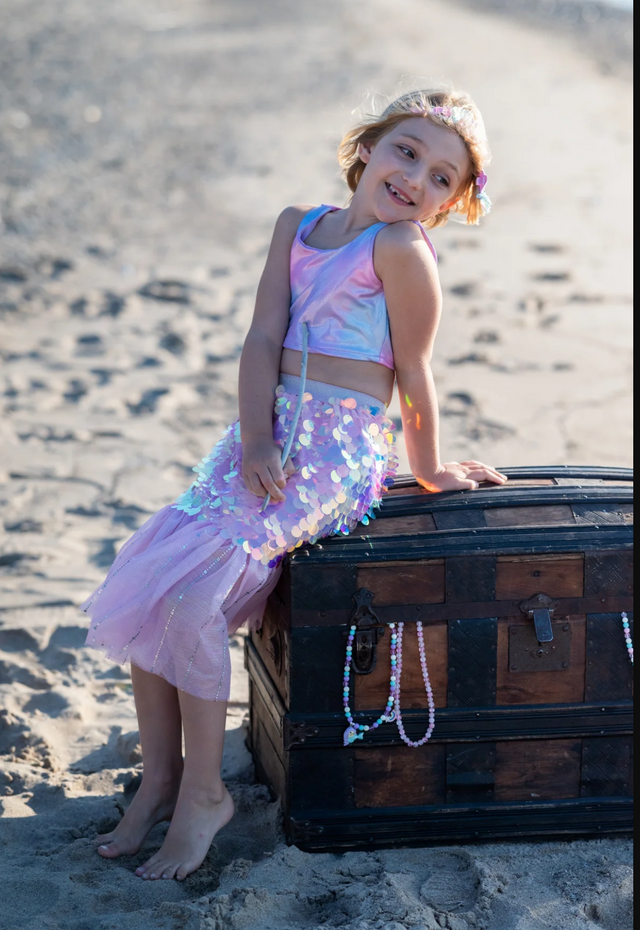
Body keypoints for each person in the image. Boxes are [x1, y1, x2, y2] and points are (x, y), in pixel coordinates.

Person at [83, 87, 507, 881]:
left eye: (442, 177)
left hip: (336, 451)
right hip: (266, 437)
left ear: (449, 205)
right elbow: (262, 338)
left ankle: (206, 793)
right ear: (369, 147)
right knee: (152, 578)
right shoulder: (297, 225)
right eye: (407, 151)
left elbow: (414, 373)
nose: (416, 178)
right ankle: (164, 777)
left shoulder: (402, 251)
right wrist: (252, 439)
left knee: (196, 598)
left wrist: (425, 469)